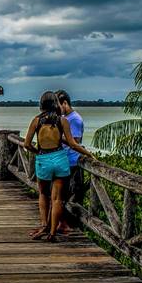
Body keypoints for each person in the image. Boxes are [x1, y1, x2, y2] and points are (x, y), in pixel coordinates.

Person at [24, 91, 93, 242]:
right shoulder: (63, 121)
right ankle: (53, 233)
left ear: (41, 104)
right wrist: (89, 154)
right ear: (55, 103)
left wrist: (38, 152)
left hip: (44, 159)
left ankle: (44, 225)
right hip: (61, 160)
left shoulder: (36, 120)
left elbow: (26, 144)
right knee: (57, 199)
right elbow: (73, 144)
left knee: (43, 194)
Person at [57, 90, 86, 213]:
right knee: (61, 195)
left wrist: (56, 137)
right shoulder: (64, 117)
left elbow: (75, 141)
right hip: (64, 160)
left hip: (72, 162)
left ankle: (70, 224)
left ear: (65, 103)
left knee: (71, 195)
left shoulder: (75, 119)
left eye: (58, 106)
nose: (57, 109)